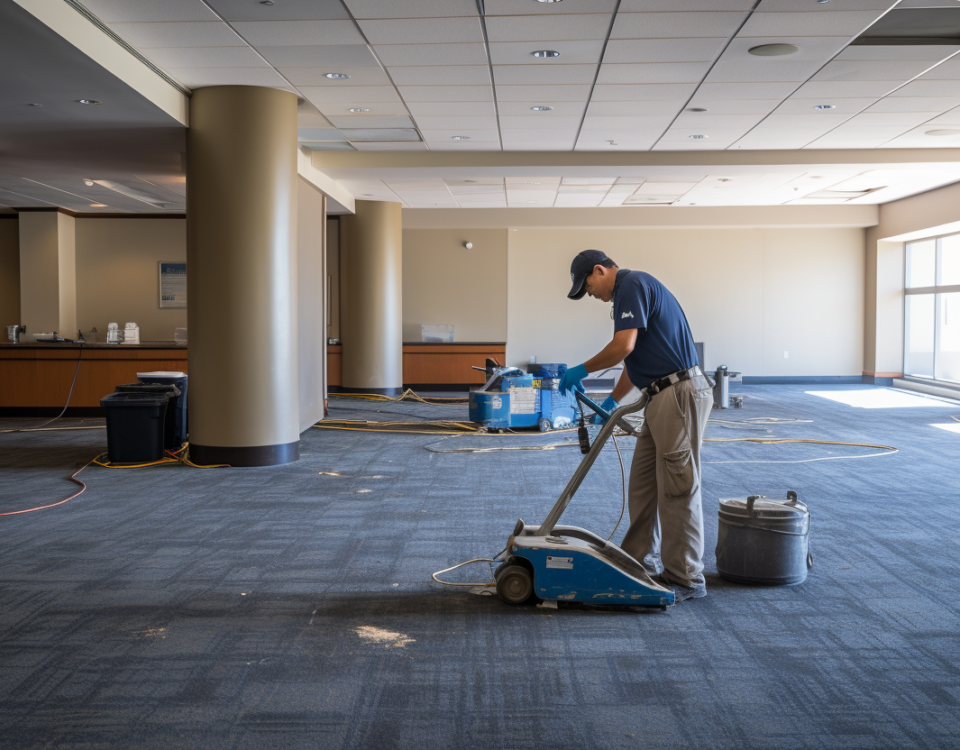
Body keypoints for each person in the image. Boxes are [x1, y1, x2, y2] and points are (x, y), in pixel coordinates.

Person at [558, 249, 713, 602]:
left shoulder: (632, 284)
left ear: (599, 270)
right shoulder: (630, 294)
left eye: (589, 286)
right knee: (643, 484)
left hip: (678, 392)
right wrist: (613, 401)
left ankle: (685, 576)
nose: (592, 295)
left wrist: (581, 370)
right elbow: (633, 357)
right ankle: (634, 563)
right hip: (659, 396)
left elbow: (622, 346)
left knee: (678, 487)